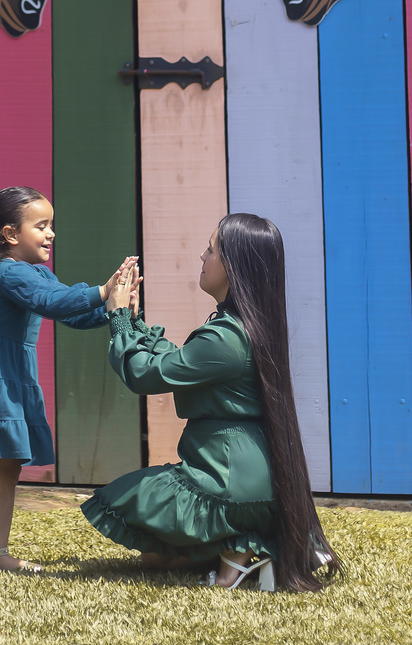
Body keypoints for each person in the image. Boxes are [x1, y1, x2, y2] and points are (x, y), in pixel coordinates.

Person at [81, 214, 341, 593]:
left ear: (234, 265)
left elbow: (145, 374)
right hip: (253, 478)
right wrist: (135, 323)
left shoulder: (227, 339)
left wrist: (119, 318)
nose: (203, 257)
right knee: (155, 559)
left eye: (211, 249)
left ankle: (245, 550)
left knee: (130, 497)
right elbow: (178, 361)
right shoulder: (245, 327)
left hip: (229, 479)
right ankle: (246, 550)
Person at [0, 185, 135, 584]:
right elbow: (54, 303)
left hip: (9, 381)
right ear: (9, 234)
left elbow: (70, 312)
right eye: (41, 226)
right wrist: (103, 291)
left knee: (6, 472)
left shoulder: (36, 274)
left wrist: (116, 309)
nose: (51, 233)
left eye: (51, 225)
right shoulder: (9, 272)